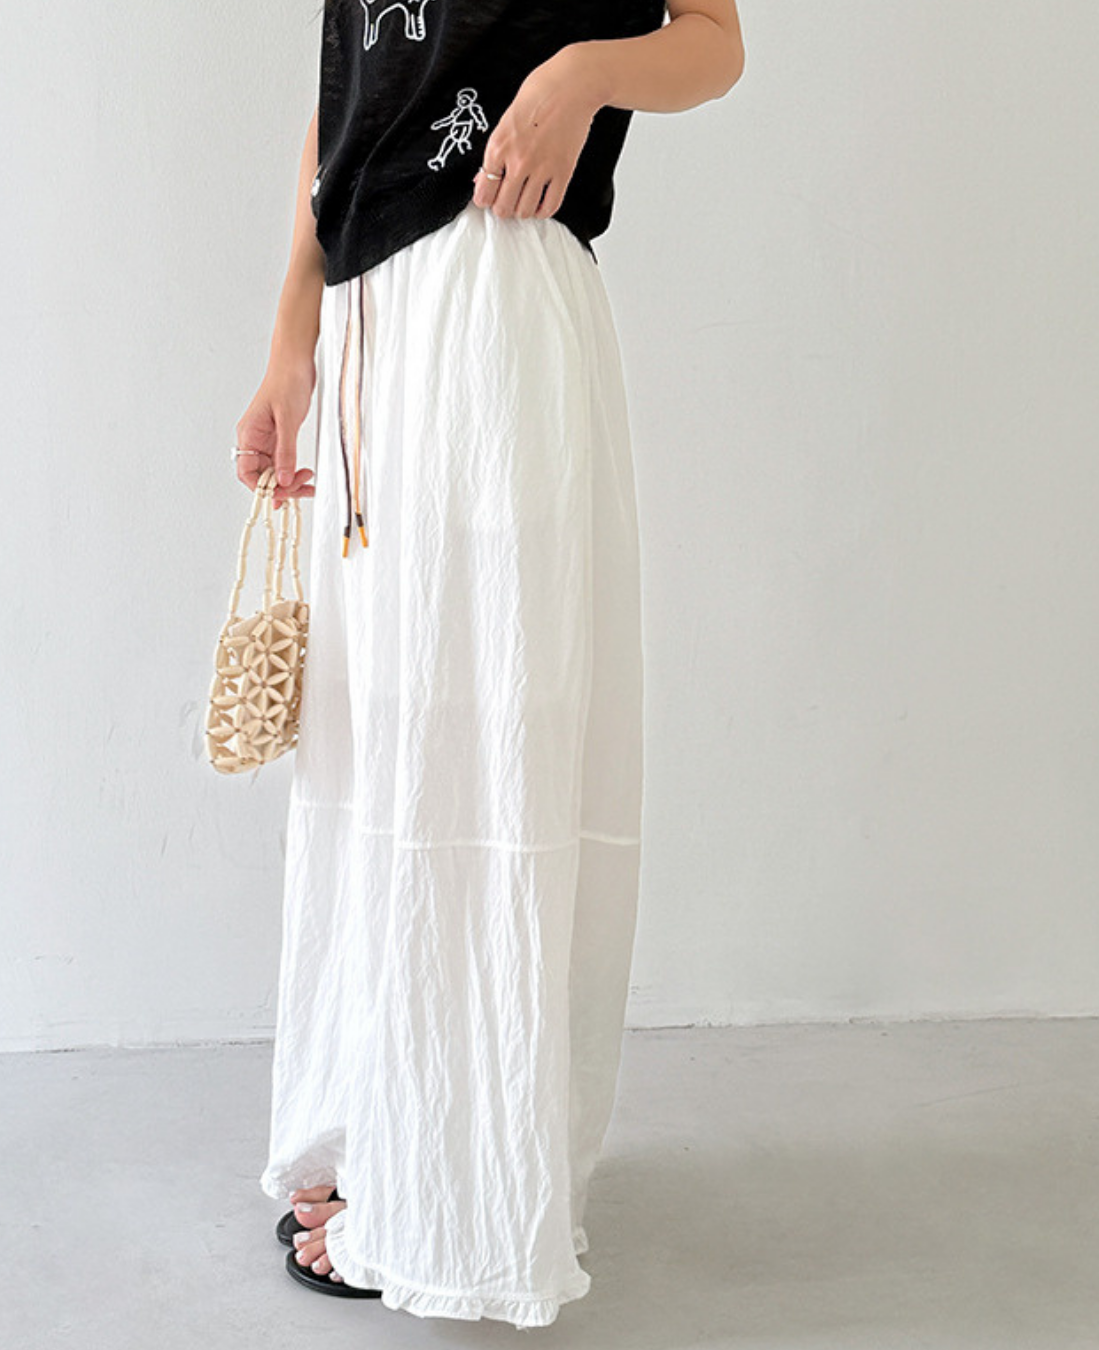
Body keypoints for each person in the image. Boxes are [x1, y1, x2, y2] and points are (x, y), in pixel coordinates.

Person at [232, 0, 745, 1329]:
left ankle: (452, 1193)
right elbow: (350, 93)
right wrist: (293, 335)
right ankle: (389, 1135)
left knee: (474, 748)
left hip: (498, 305)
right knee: (386, 745)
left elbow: (714, 40)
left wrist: (582, 75)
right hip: (375, 324)